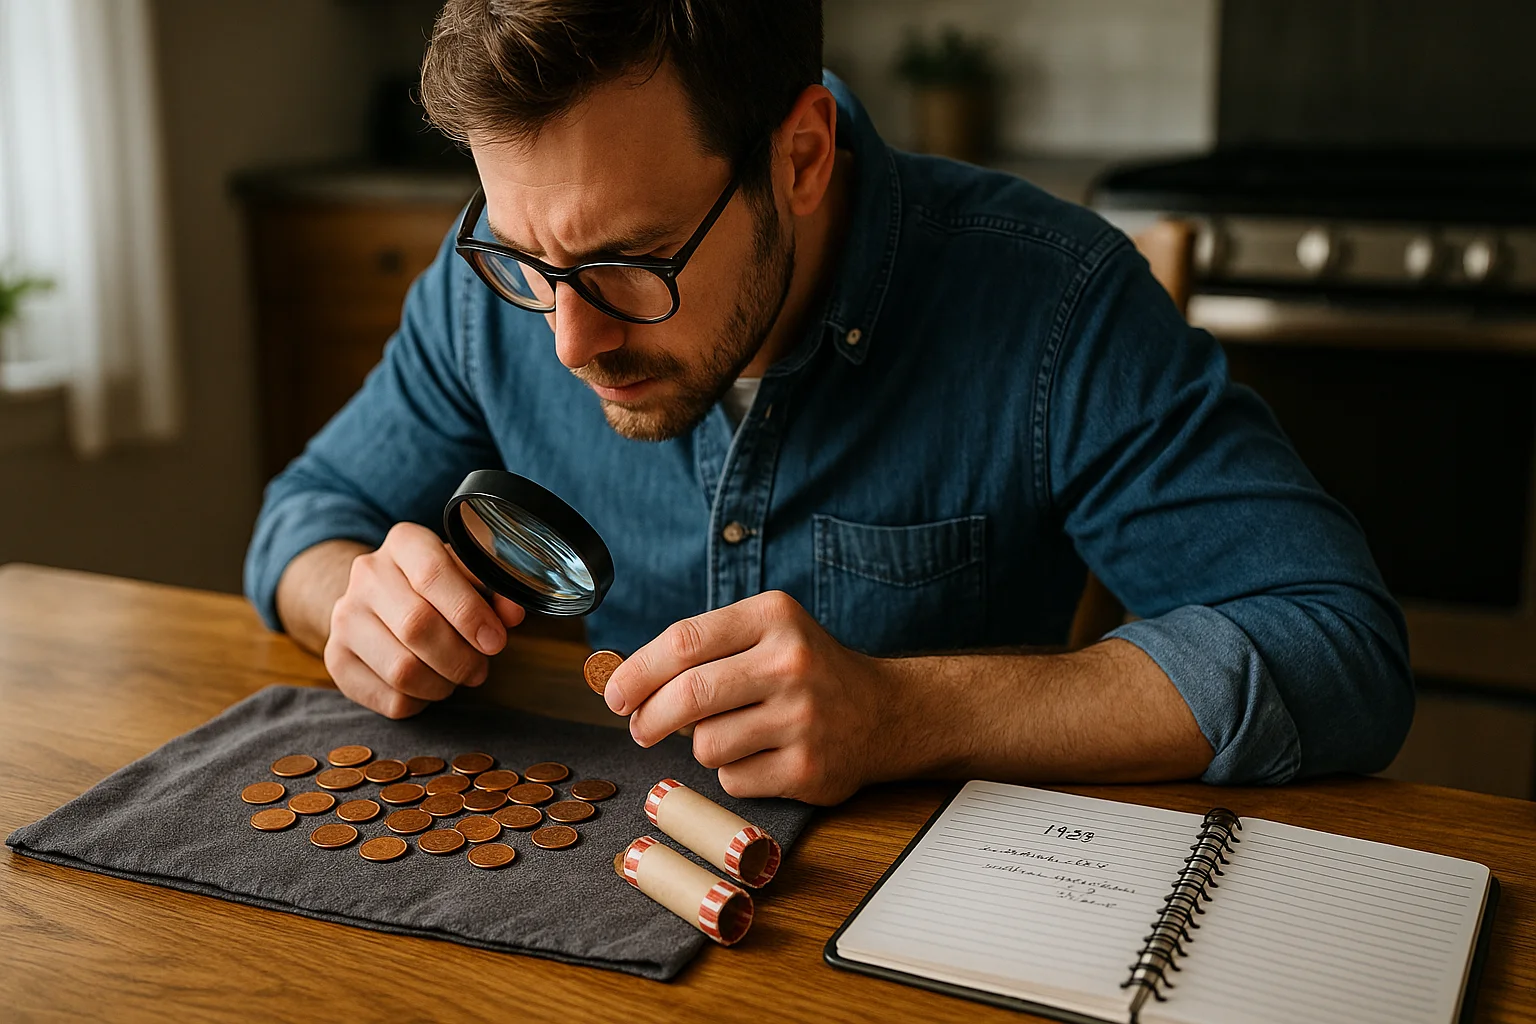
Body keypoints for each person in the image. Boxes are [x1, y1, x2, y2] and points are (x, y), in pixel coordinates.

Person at [245, 0, 1412, 805]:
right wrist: (355, 600)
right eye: (525, 260)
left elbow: (1339, 649)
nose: (569, 337)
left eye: (631, 264)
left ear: (800, 157)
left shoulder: (1055, 304)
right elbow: (305, 514)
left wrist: (903, 712)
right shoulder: (491, 298)